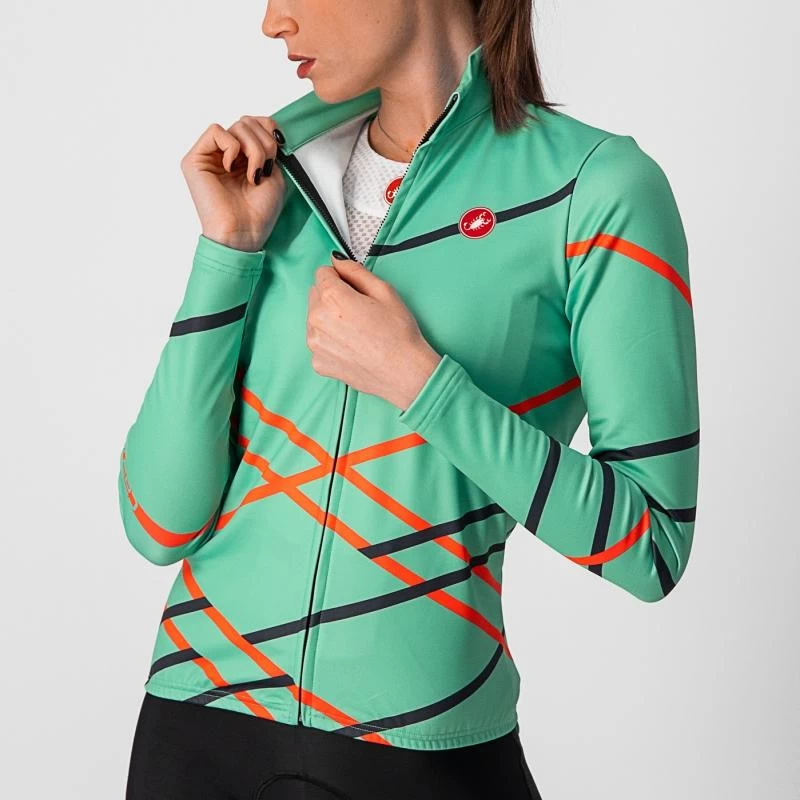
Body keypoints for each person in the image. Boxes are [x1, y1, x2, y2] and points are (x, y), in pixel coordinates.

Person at [120, 0, 699, 797]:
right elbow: (158, 523)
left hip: (424, 753)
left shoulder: (593, 190)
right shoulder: (272, 178)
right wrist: (228, 251)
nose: (273, 20)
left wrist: (422, 385)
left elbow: (651, 547)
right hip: (196, 730)